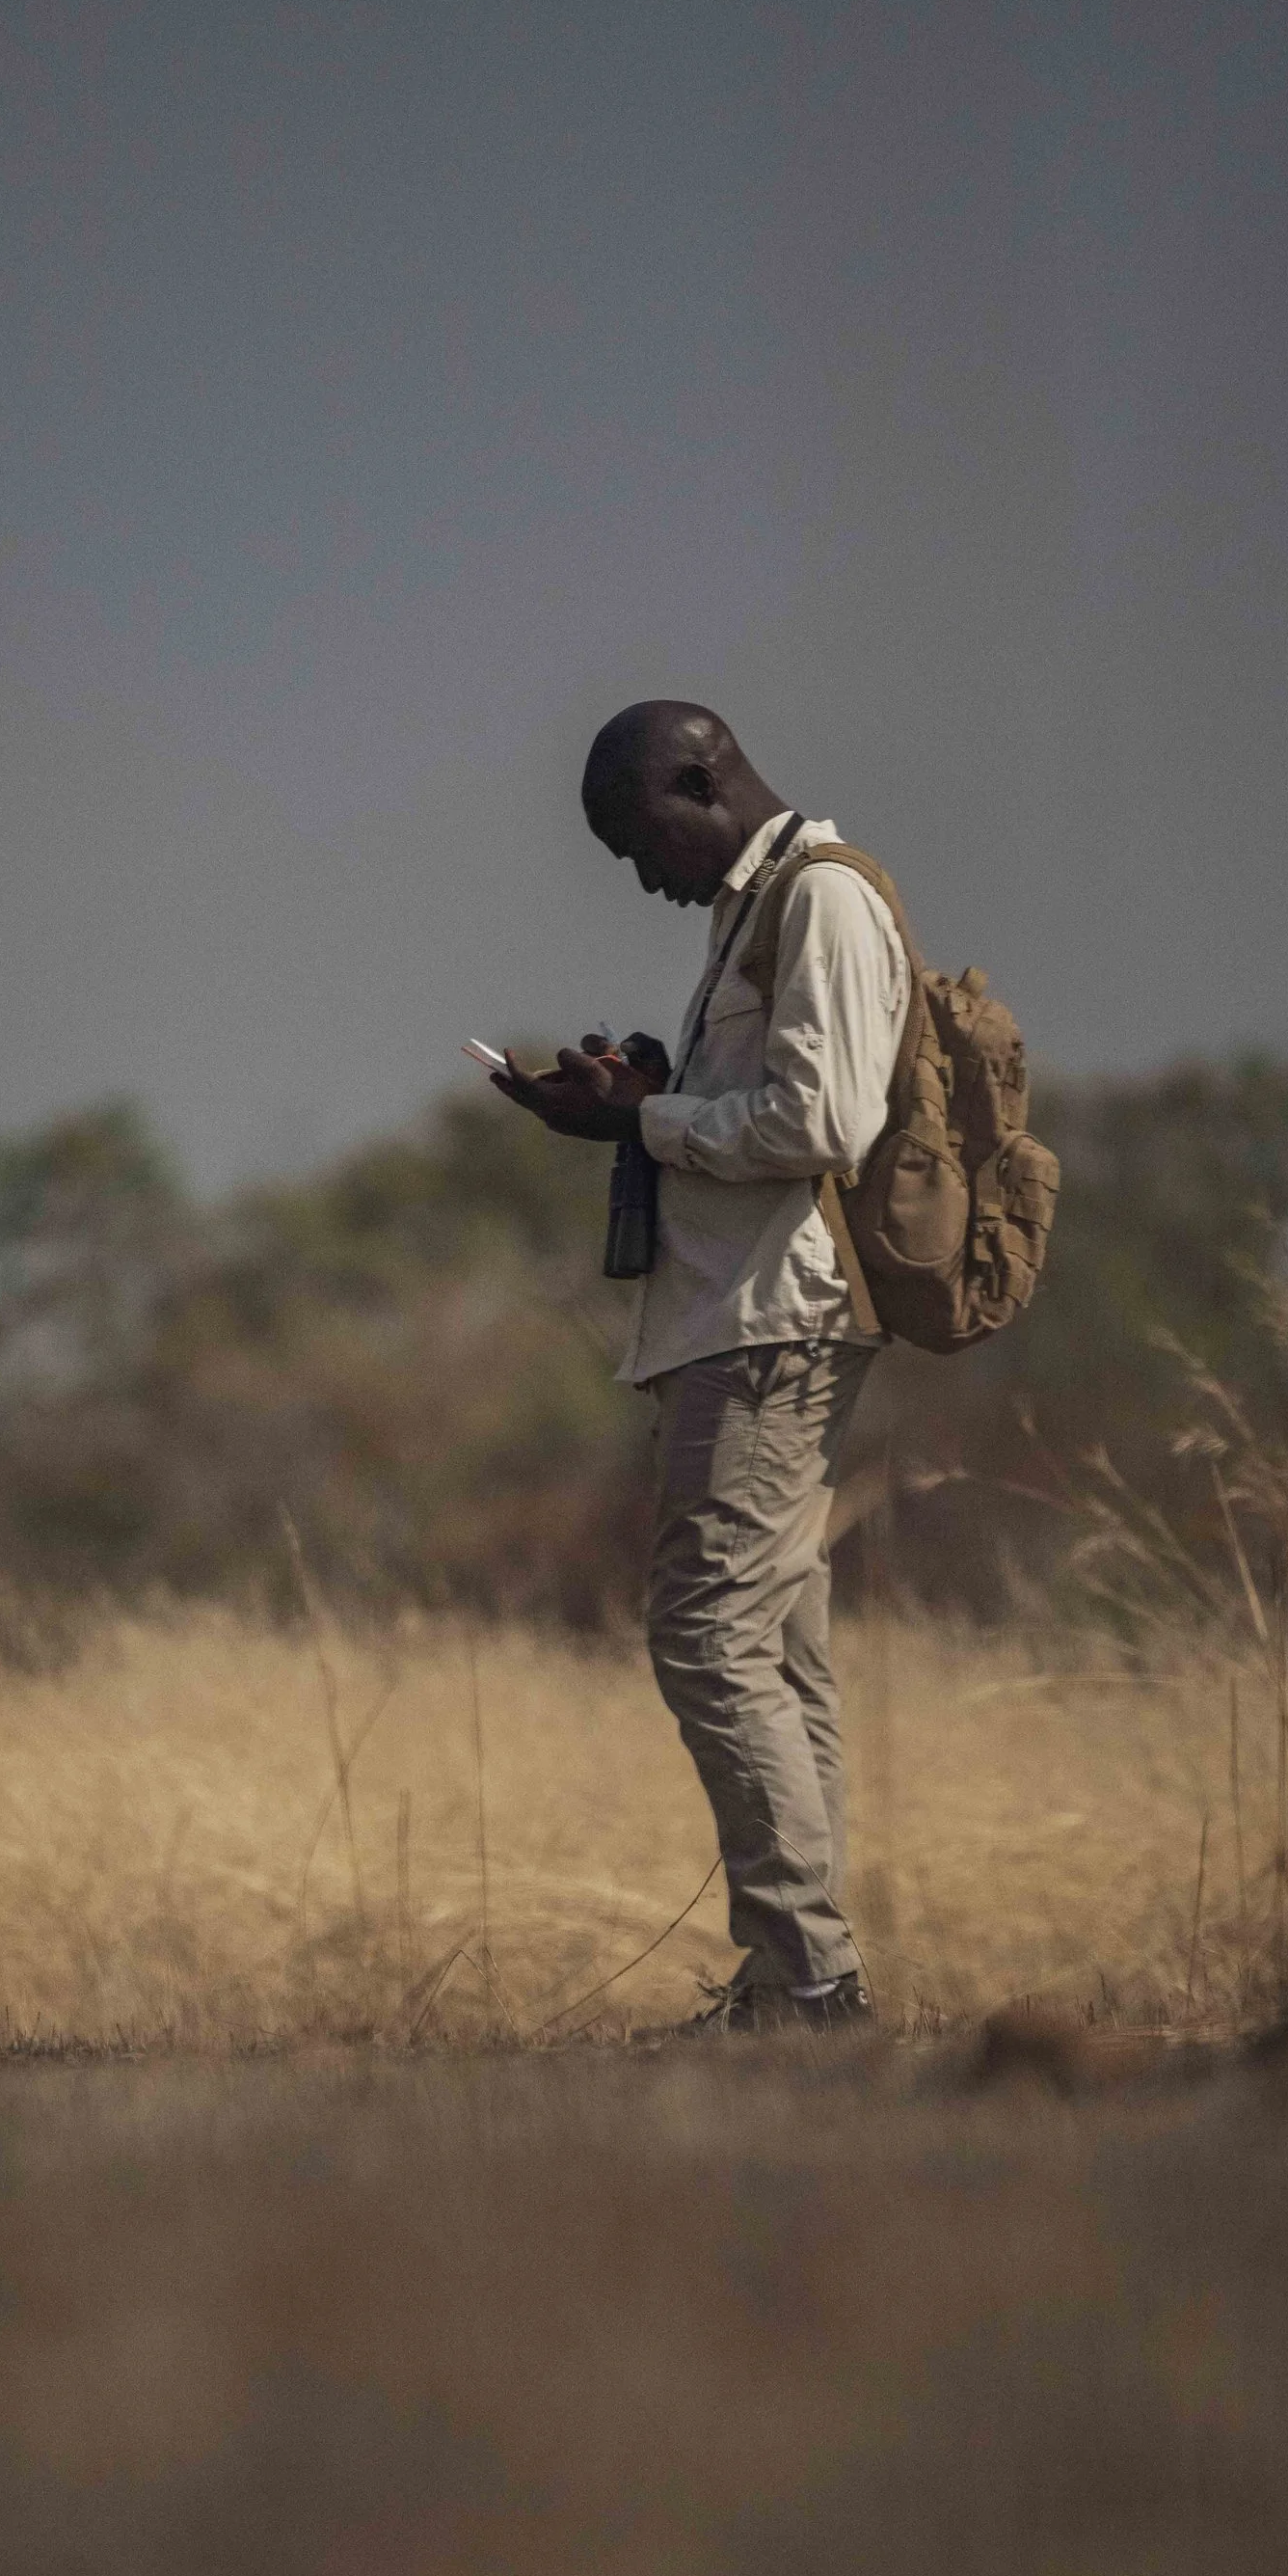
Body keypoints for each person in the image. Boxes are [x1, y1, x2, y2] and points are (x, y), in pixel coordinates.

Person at [492, 699, 906, 2031]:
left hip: (773, 1319)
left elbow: (827, 1117)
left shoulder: (818, 900)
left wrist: (649, 1118)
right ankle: (798, 1982)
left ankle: (809, 1981)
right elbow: (766, 1103)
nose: (639, 871)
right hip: (737, 1316)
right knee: (777, 1654)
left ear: (697, 774)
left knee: (708, 1634)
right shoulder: (756, 909)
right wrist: (640, 1097)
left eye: (636, 837)